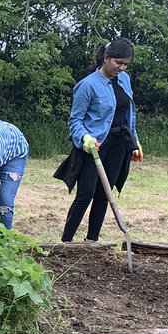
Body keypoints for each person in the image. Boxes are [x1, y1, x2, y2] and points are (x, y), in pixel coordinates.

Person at [58, 38, 144, 242]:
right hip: (94, 146)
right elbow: (75, 120)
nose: (121, 68)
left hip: (118, 145)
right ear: (106, 58)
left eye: (125, 64)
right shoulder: (87, 85)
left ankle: (92, 241)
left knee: (104, 194)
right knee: (85, 195)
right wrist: (84, 137)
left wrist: (135, 141)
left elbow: (128, 113)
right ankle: (65, 242)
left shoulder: (125, 80)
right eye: (118, 63)